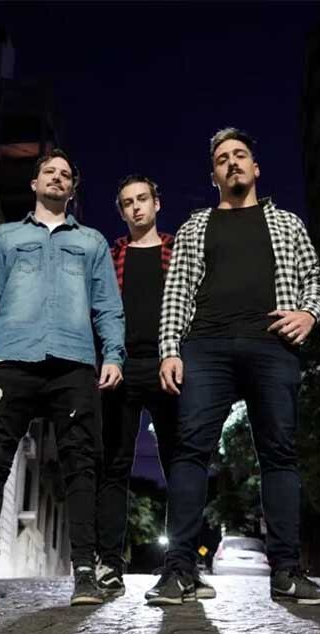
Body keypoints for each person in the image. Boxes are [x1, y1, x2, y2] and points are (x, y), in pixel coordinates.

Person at [146, 128, 320, 606]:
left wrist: (309, 314)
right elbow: (176, 292)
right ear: (214, 175)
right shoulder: (195, 225)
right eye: (223, 159)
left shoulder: (287, 223)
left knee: (279, 454)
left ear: (255, 167)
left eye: (240, 155)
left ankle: (286, 571)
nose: (232, 163)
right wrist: (170, 349)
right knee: (190, 451)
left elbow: (315, 281)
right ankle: (179, 570)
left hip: (272, 344)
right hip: (205, 347)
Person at [0, 149, 125, 608]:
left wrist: (113, 354)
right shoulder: (5, 238)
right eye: (49, 171)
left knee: (81, 466)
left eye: (65, 174)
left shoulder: (91, 242)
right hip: (12, 358)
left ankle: (85, 573)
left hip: (74, 363)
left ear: (72, 189)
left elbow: (107, 305)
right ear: (34, 184)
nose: (57, 177)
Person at [93, 175, 215, 600]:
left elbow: (196, 304)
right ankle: (109, 563)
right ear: (121, 211)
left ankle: (184, 565)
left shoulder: (178, 251)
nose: (136, 207)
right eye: (127, 202)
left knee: (181, 465)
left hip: (169, 364)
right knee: (114, 466)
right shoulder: (111, 256)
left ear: (156, 203)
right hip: (121, 366)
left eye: (142, 199)